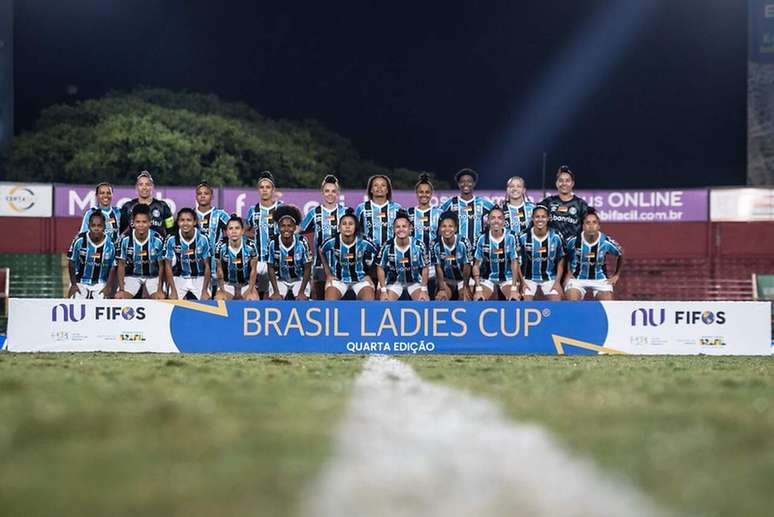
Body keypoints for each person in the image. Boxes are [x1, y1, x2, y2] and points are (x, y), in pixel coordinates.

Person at [300, 174, 347, 299]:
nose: (330, 194)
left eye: (333, 191)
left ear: (338, 193)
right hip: (320, 264)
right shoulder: (315, 213)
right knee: (320, 298)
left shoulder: (345, 212)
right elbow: (299, 230)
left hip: (342, 263)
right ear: (322, 193)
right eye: (327, 191)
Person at [318, 208, 378, 301]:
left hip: (360, 280)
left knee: (368, 303)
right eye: (344, 224)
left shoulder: (363, 241)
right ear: (339, 227)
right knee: (330, 303)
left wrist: (370, 274)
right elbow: (321, 250)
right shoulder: (332, 241)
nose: (347, 227)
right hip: (338, 280)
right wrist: (328, 274)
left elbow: (379, 253)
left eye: (351, 224)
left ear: (355, 227)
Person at [565, 209, 624, 301]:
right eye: (588, 223)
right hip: (577, 279)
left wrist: (616, 275)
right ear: (583, 226)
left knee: (608, 305)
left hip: (600, 280)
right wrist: (568, 271)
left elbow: (621, 253)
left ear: (599, 226)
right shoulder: (574, 240)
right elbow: (563, 254)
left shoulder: (605, 242)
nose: (591, 226)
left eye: (594, 223)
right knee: (573, 304)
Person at [115, 204, 166, 299]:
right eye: (138, 222)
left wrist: (159, 289)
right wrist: (121, 289)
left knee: (160, 298)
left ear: (150, 222)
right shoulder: (125, 239)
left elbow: (162, 266)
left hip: (153, 276)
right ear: (132, 222)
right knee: (120, 297)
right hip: (132, 276)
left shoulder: (158, 239)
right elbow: (121, 264)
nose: (141, 225)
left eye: (144, 222)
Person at [376, 210, 429, 301]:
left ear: (410, 228)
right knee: (385, 303)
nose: (401, 229)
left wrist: (423, 289)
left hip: (414, 282)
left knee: (423, 302)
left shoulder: (419, 245)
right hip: (394, 282)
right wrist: (384, 291)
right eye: (397, 227)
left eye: (404, 226)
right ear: (393, 229)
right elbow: (380, 267)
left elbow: (425, 267)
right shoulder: (387, 246)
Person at [472, 206, 522, 301]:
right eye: (493, 218)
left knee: (514, 299)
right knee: (478, 299)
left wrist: (514, 288)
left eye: (499, 218)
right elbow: (476, 265)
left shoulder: (512, 236)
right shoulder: (481, 238)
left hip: (507, 278)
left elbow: (514, 262)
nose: (496, 221)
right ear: (488, 221)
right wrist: (478, 288)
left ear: (504, 221)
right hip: (487, 278)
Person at [245, 170, 282, 298]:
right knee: (255, 294)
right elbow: (244, 230)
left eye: (268, 187)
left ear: (273, 189)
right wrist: (251, 236)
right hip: (257, 260)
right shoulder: (252, 210)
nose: (265, 190)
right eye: (262, 187)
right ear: (258, 190)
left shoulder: (281, 208)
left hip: (275, 261)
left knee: (271, 295)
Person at [518, 205, 565, 301]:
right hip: (528, 278)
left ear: (548, 218)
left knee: (557, 302)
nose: (540, 220)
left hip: (550, 278)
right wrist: (522, 283)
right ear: (532, 218)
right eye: (537, 217)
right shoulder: (523, 236)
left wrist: (557, 282)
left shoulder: (556, 236)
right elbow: (516, 262)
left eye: (543, 217)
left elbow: (561, 259)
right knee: (526, 303)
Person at [163, 208, 211, 300]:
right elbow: (167, 266)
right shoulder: (171, 239)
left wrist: (204, 290)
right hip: (180, 277)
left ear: (194, 222)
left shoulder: (203, 238)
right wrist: (173, 290)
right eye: (182, 220)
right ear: (178, 222)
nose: (185, 223)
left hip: (199, 277)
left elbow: (207, 266)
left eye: (189, 220)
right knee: (172, 300)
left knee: (206, 300)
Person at [67, 210, 116, 299]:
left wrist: (108, 286)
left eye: (99, 226)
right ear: (89, 226)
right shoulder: (79, 240)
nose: (96, 228)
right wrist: (74, 285)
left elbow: (113, 267)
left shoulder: (111, 244)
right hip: (80, 282)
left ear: (104, 227)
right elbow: (71, 262)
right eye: (93, 226)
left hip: (100, 283)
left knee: (103, 304)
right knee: (74, 300)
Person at [267, 205, 313, 301]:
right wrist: (276, 292)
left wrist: (301, 292)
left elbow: (307, 268)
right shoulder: (272, 242)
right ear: (278, 227)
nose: (286, 229)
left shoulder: (302, 242)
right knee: (276, 301)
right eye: (283, 226)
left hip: (299, 279)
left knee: (301, 301)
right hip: (280, 279)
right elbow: (270, 267)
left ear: (294, 227)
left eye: (289, 226)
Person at [440, 168, 494, 246]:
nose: (466, 184)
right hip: (457, 249)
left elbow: (498, 213)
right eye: (462, 182)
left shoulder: (482, 202)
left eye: (469, 181)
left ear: (474, 183)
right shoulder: (451, 203)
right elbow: (437, 217)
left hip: (477, 249)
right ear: (458, 184)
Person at [195, 181, 230, 297]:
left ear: (212, 196)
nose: (203, 195)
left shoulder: (220, 214)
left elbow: (234, 230)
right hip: (199, 266)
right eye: (200, 193)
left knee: (221, 297)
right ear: (196, 196)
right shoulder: (191, 215)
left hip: (218, 265)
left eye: (206, 193)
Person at [538, 165, 589, 241]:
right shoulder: (548, 202)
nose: (564, 183)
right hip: (553, 249)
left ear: (572, 183)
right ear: (556, 183)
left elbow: (589, 228)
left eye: (567, 181)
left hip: (573, 250)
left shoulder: (581, 205)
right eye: (561, 180)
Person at [214, 215, 259, 300]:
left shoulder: (251, 246)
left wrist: (250, 290)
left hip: (246, 284)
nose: (234, 231)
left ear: (242, 231)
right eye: (230, 228)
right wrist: (223, 290)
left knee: (253, 299)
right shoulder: (220, 247)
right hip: (227, 284)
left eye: (237, 228)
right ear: (226, 232)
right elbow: (219, 271)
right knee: (219, 299)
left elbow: (254, 270)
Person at [119, 170, 174, 237]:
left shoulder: (163, 206)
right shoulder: (128, 207)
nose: (144, 188)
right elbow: (120, 230)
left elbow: (171, 230)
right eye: (141, 184)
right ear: (136, 187)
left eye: (147, 184)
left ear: (152, 187)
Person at [432, 211, 474, 301]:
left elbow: (467, 266)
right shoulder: (435, 244)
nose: (447, 229)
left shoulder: (464, 243)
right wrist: (442, 289)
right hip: (447, 280)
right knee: (441, 298)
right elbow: (438, 268)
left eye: (450, 226)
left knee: (465, 298)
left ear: (455, 229)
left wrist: (465, 286)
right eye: (443, 226)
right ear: (439, 229)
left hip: (463, 279)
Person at [355, 174, 402, 249]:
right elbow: (355, 232)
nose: (379, 188)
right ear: (371, 189)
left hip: (391, 254)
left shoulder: (397, 208)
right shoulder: (361, 208)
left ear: (387, 190)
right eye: (375, 185)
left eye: (383, 185)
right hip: (368, 254)